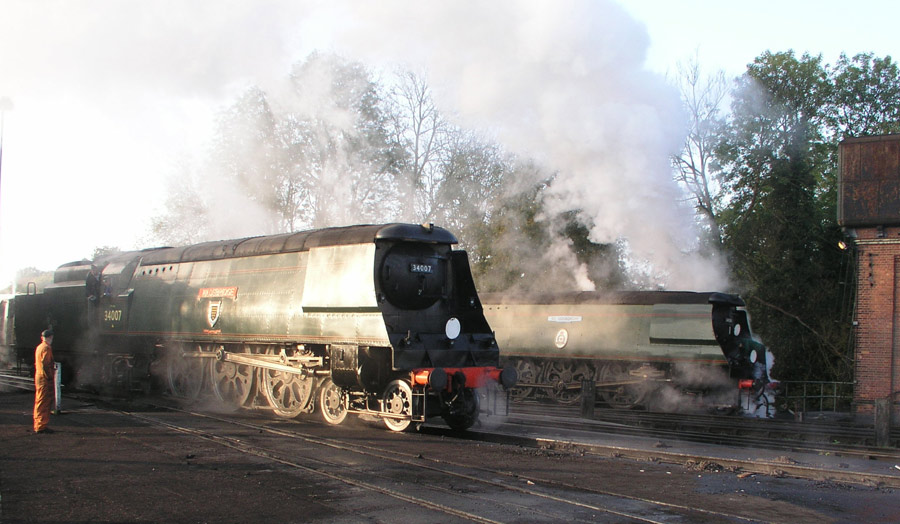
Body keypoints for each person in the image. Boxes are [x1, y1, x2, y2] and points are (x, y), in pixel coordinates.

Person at [33, 328, 56, 434]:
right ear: (50, 337)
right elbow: (45, 364)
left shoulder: (39, 347)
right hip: (44, 378)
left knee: (39, 400)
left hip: (39, 375)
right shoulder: (47, 348)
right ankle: (41, 426)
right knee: (44, 401)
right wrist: (50, 376)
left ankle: (38, 423)